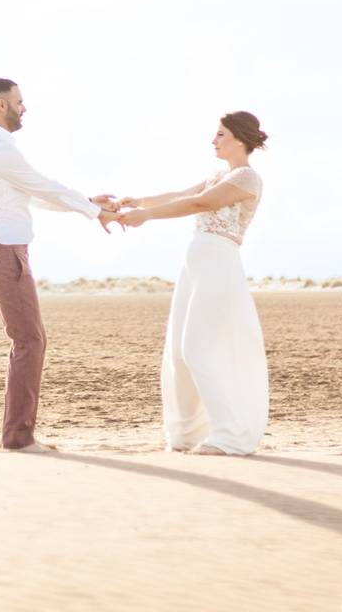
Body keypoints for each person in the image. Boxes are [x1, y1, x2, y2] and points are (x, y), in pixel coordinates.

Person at [0, 77, 119, 452]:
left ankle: (18, 434)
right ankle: (19, 438)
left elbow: (35, 194)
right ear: (1, 105)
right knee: (30, 341)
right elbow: (44, 186)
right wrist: (94, 211)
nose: (24, 108)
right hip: (5, 256)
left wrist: (86, 202)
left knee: (27, 341)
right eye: (19, 102)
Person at [118, 112, 270, 455]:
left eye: (220, 134)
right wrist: (138, 202)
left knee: (197, 346)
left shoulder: (247, 178)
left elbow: (200, 203)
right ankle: (186, 434)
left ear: (240, 139)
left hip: (219, 264)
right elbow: (182, 194)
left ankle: (230, 435)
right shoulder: (219, 174)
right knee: (177, 351)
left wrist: (146, 217)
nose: (213, 140)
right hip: (196, 263)